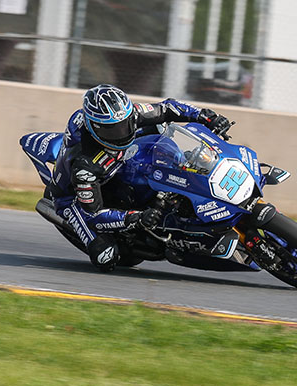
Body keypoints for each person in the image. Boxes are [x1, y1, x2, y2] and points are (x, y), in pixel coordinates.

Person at [48, 83, 232, 271]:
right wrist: (136, 218)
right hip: (73, 198)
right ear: (95, 128)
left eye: (125, 124)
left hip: (115, 162)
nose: (122, 132)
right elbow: (94, 215)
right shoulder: (85, 167)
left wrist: (206, 117)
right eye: (113, 130)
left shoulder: (129, 115)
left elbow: (167, 108)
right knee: (105, 257)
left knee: (160, 128)